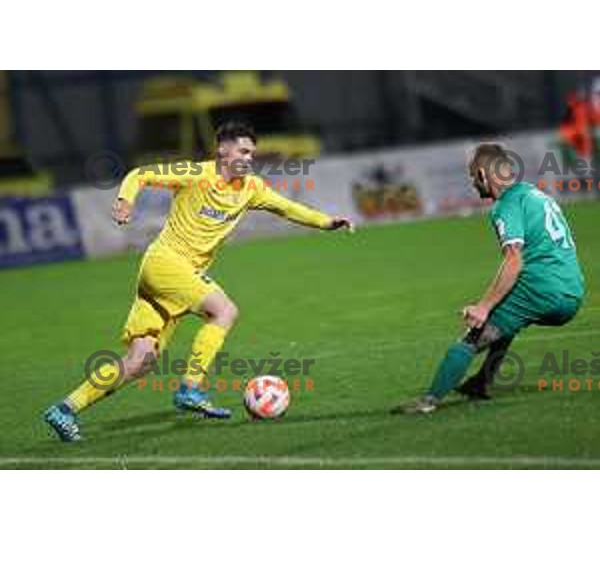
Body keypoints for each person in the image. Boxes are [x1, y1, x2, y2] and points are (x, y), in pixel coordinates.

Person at [44, 122, 353, 441]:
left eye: (252, 153)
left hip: (172, 279)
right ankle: (190, 388)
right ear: (223, 150)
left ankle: (64, 410)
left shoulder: (251, 188)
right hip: (164, 263)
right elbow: (140, 174)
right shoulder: (194, 173)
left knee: (140, 361)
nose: (249, 158)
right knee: (225, 311)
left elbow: (288, 208)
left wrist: (327, 222)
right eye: (243, 151)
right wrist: (126, 200)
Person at [396, 143, 585, 414]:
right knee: (506, 317)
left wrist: (482, 306)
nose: (473, 183)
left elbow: (514, 260)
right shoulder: (535, 194)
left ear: (485, 176)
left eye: (473, 176)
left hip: (542, 289)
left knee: (472, 337)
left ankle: (428, 402)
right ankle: (481, 382)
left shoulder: (505, 205)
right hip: (573, 290)